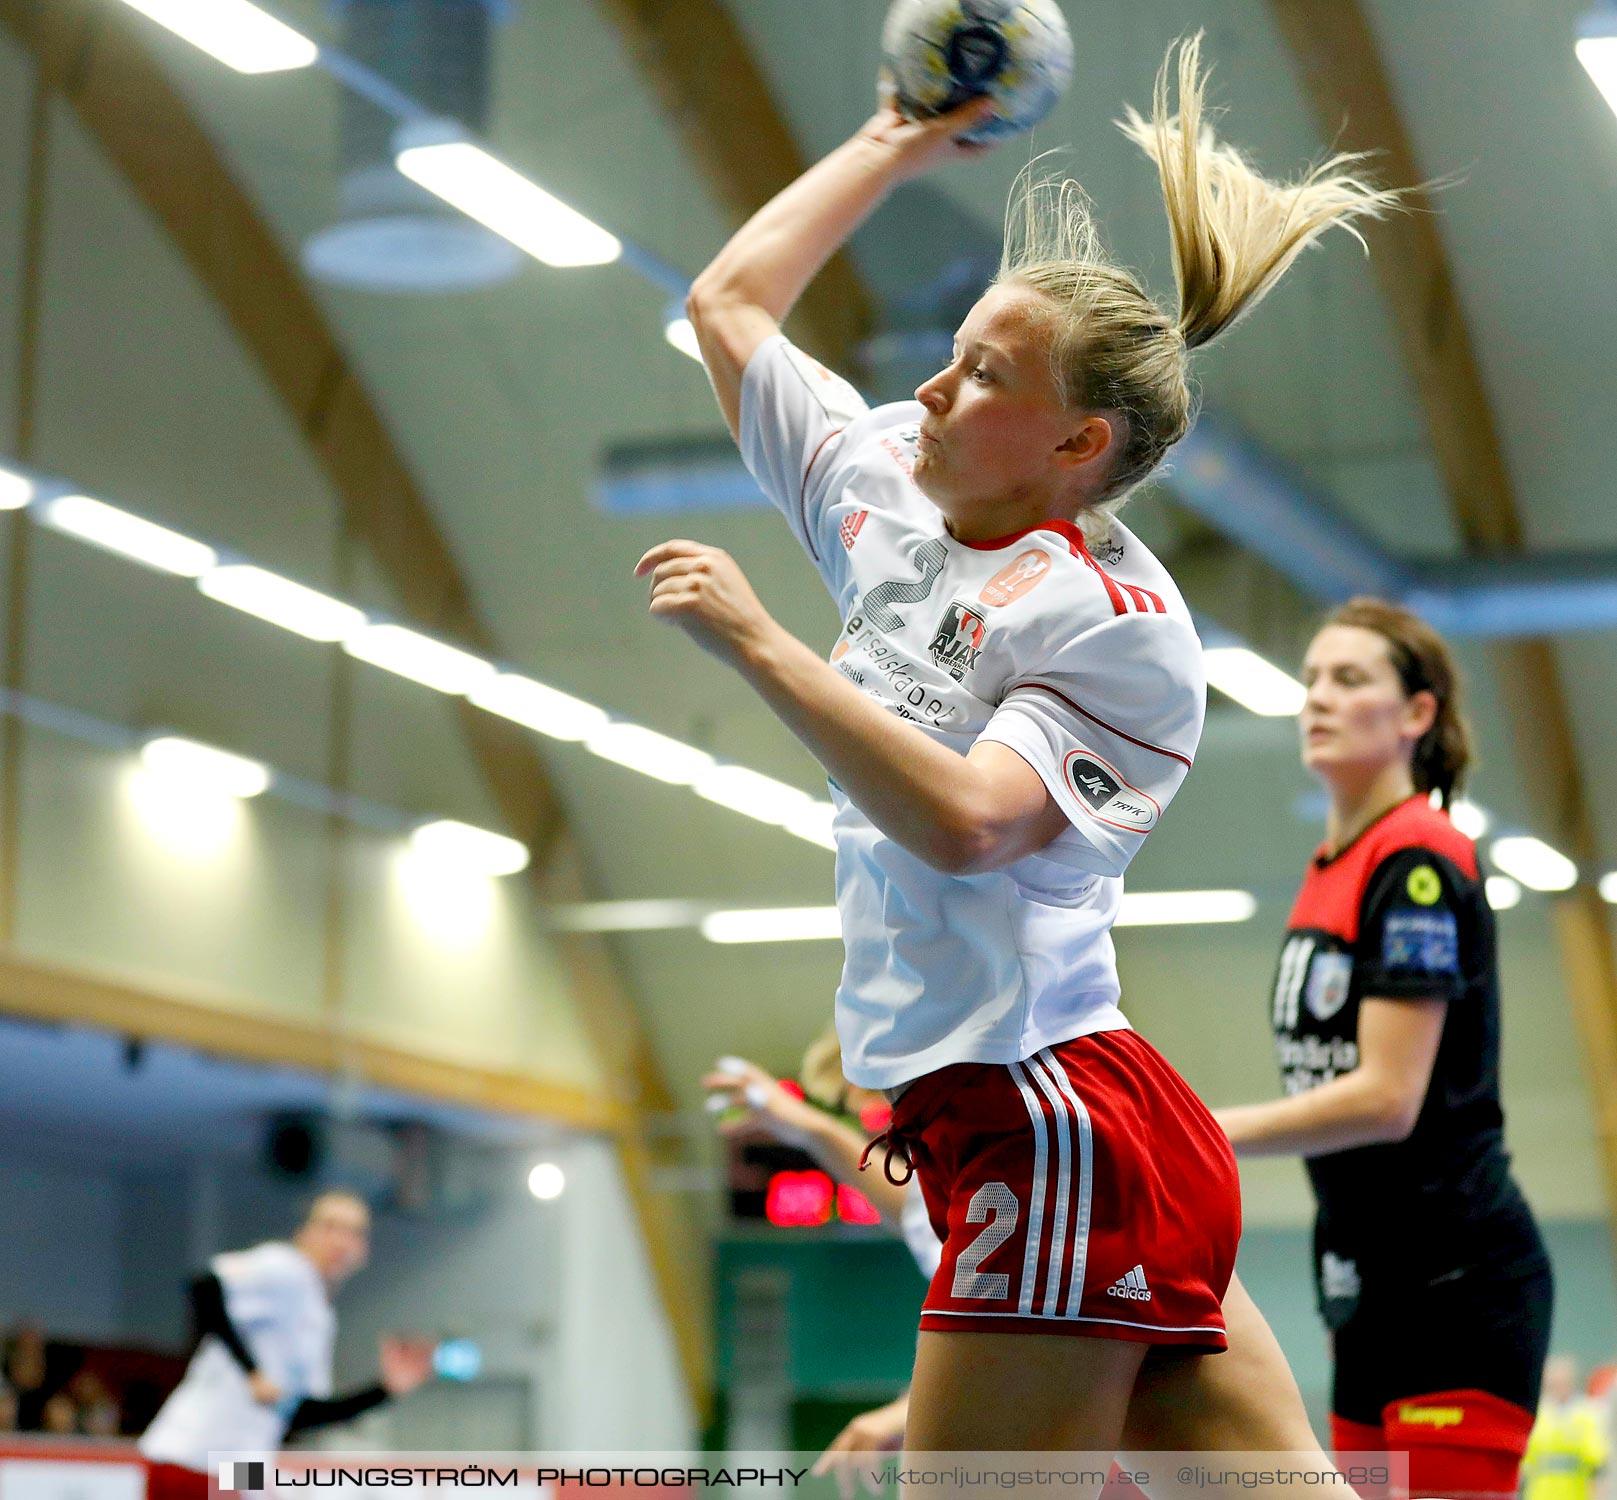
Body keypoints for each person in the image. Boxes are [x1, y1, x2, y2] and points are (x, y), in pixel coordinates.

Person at [643, 29, 1401, 1470]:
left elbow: (976, 825)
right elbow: (730, 302)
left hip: (1040, 1114)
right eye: (948, 355)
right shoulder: (880, 482)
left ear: (1074, 445)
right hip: (1064, 1124)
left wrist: (761, 645)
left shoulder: (1115, 623)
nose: (930, 390)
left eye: (982, 374)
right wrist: (902, 137)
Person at [1216, 599, 1554, 1500]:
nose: (1317, 697)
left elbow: (1384, 1098)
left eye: (1350, 679)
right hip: (1363, 1282)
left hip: (1455, 1281)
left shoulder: (1417, 859)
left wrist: (1200, 1132)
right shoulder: (1330, 866)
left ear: (1416, 715)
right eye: (1313, 677)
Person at [139, 1191, 435, 1500]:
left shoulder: (317, 1314)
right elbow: (205, 1287)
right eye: (330, 1226)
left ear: (363, 1248)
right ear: (305, 1232)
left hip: (233, 1465)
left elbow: (302, 1413)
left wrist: (385, 1390)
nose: (340, 1241)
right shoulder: (286, 1267)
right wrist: (251, 1371)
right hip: (196, 1455)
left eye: (353, 1231)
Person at [1522, 1356, 1608, 1500]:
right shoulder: (1538, 1414)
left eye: (1563, 1382)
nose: (1559, 1387)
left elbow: (1598, 1459)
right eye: (1555, 1382)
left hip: (1575, 1493)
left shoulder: (1587, 1414)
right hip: (1540, 1493)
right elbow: (1525, 1461)